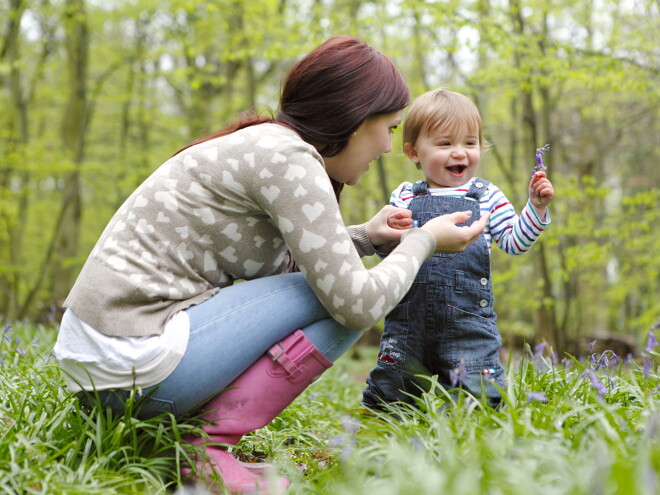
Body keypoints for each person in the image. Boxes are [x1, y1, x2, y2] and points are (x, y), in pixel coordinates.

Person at [53, 39, 488, 494]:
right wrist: (424, 240)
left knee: (338, 289)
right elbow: (356, 304)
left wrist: (365, 236)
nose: (385, 146)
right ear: (355, 120)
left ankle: (178, 445)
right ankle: (202, 451)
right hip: (130, 364)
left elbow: (279, 275)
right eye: (387, 128)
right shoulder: (288, 158)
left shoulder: (269, 145)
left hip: (105, 370)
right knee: (346, 302)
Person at [362, 88, 554, 412]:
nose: (460, 153)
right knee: (390, 392)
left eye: (469, 143)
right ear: (413, 152)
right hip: (408, 325)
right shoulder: (404, 196)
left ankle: (476, 440)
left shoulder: (488, 196)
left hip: (469, 325)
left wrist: (535, 209)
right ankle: (377, 438)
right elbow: (391, 257)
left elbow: (515, 242)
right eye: (445, 143)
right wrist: (388, 233)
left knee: (482, 397)